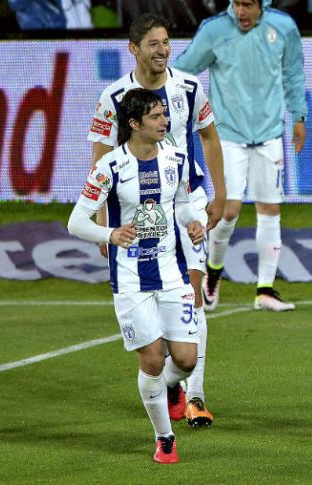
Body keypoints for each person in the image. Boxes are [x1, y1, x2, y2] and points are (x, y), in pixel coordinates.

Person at [87, 13, 226, 427]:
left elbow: (209, 136)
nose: (162, 50)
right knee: (152, 304)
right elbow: (99, 158)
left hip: (186, 200)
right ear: (134, 49)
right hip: (137, 212)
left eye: (166, 42)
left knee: (193, 296)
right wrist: (103, 223)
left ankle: (194, 395)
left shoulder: (189, 86)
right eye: (153, 43)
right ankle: (168, 382)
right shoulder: (113, 97)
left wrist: (219, 193)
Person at [69, 88, 206, 464]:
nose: (165, 121)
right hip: (130, 278)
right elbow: (76, 222)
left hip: (171, 271)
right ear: (134, 123)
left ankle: (170, 388)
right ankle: (165, 438)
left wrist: (193, 222)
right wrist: (109, 234)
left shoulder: (177, 158)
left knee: (186, 359)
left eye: (164, 114)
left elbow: (183, 204)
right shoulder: (109, 167)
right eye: (156, 116)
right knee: (152, 361)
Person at [173, 0, 308, 312]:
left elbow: (293, 73)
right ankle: (213, 272)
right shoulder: (214, 30)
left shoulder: (283, 27)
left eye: (247, 4)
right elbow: (183, 69)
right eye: (236, 3)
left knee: (270, 208)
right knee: (228, 209)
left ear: (262, 3)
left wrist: (299, 115)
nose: (240, 12)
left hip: (269, 134)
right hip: (228, 136)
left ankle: (265, 290)